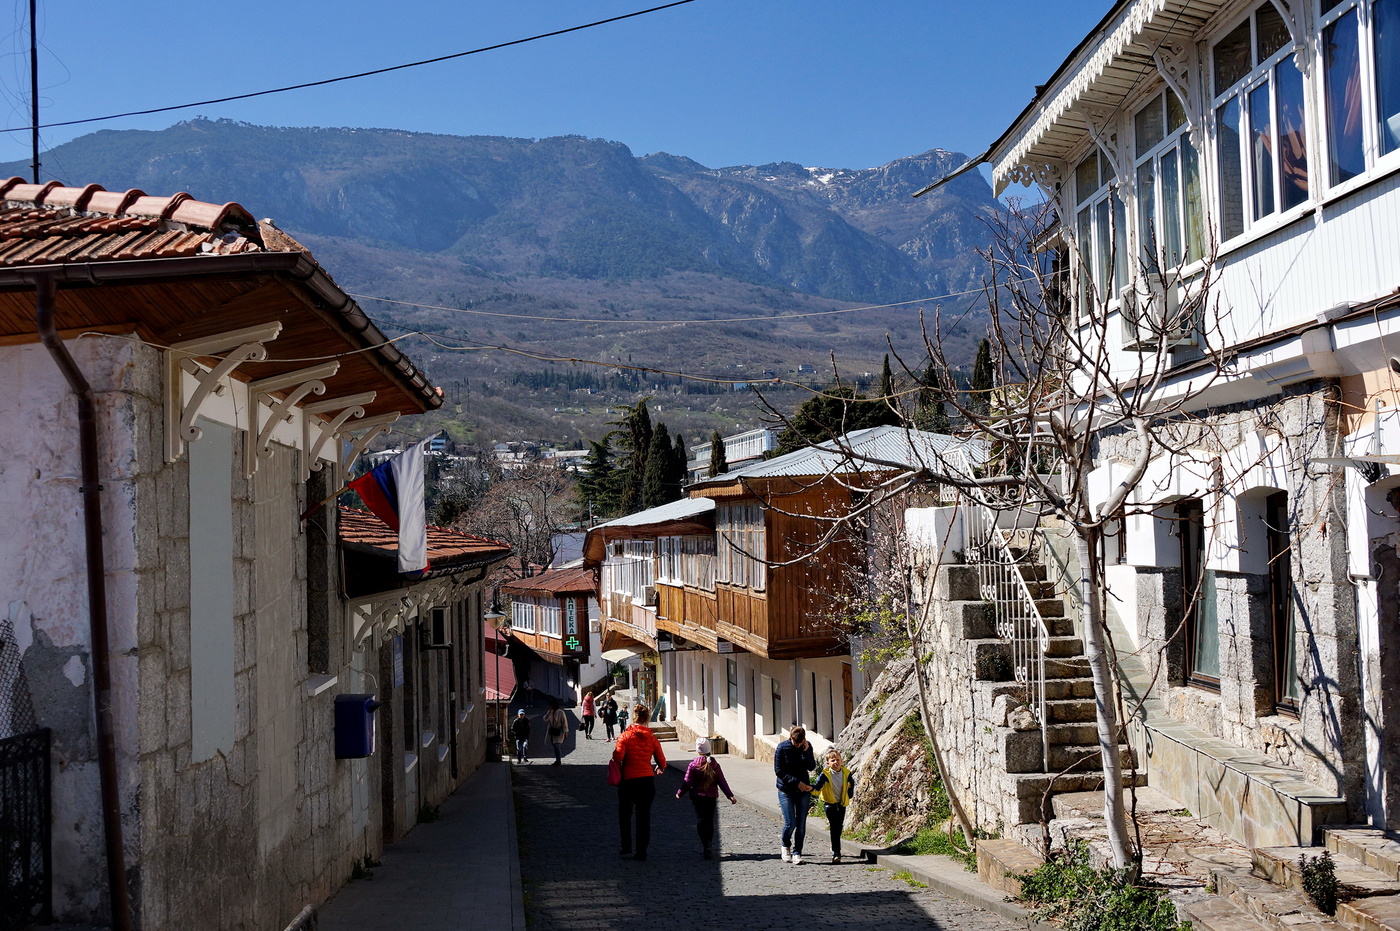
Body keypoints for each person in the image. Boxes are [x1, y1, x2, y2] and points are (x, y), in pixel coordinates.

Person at [612, 704, 666, 861]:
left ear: (633, 717)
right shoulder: (652, 738)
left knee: (625, 815)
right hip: (646, 781)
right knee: (644, 817)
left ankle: (626, 846)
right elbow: (662, 761)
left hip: (628, 781)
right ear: (647, 718)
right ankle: (641, 851)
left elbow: (618, 758)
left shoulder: (625, 736)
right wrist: (660, 767)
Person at [676, 737, 736, 859]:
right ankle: (709, 843)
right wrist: (730, 795)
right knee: (709, 821)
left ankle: (704, 843)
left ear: (698, 750)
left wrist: (680, 793)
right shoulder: (714, 764)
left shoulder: (693, 765)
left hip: (697, 797)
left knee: (701, 820)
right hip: (711, 797)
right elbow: (722, 781)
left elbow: (687, 782)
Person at [774, 725, 816, 865]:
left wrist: (805, 752)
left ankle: (798, 851)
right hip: (786, 789)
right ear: (791, 738)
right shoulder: (782, 748)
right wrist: (796, 782)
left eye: (800, 742)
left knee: (801, 823)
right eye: (795, 742)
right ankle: (786, 845)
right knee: (790, 822)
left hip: (803, 790)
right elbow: (779, 770)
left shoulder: (806, 747)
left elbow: (811, 766)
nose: (797, 745)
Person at [811, 748, 856, 863]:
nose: (835, 762)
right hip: (829, 803)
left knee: (839, 826)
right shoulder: (825, 775)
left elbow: (851, 784)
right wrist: (810, 790)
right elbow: (818, 787)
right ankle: (836, 852)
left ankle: (835, 845)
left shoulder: (846, 773)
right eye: (832, 761)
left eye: (837, 760)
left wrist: (850, 794)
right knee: (834, 826)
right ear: (828, 763)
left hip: (841, 803)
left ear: (841, 761)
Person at [543, 698, 568, 766]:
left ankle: (558, 761)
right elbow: (545, 719)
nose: (549, 707)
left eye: (550, 706)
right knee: (555, 746)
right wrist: (549, 713)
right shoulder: (550, 712)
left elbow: (564, 722)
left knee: (557, 746)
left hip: (559, 731)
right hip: (552, 731)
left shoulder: (561, 712)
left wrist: (565, 731)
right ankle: (557, 760)